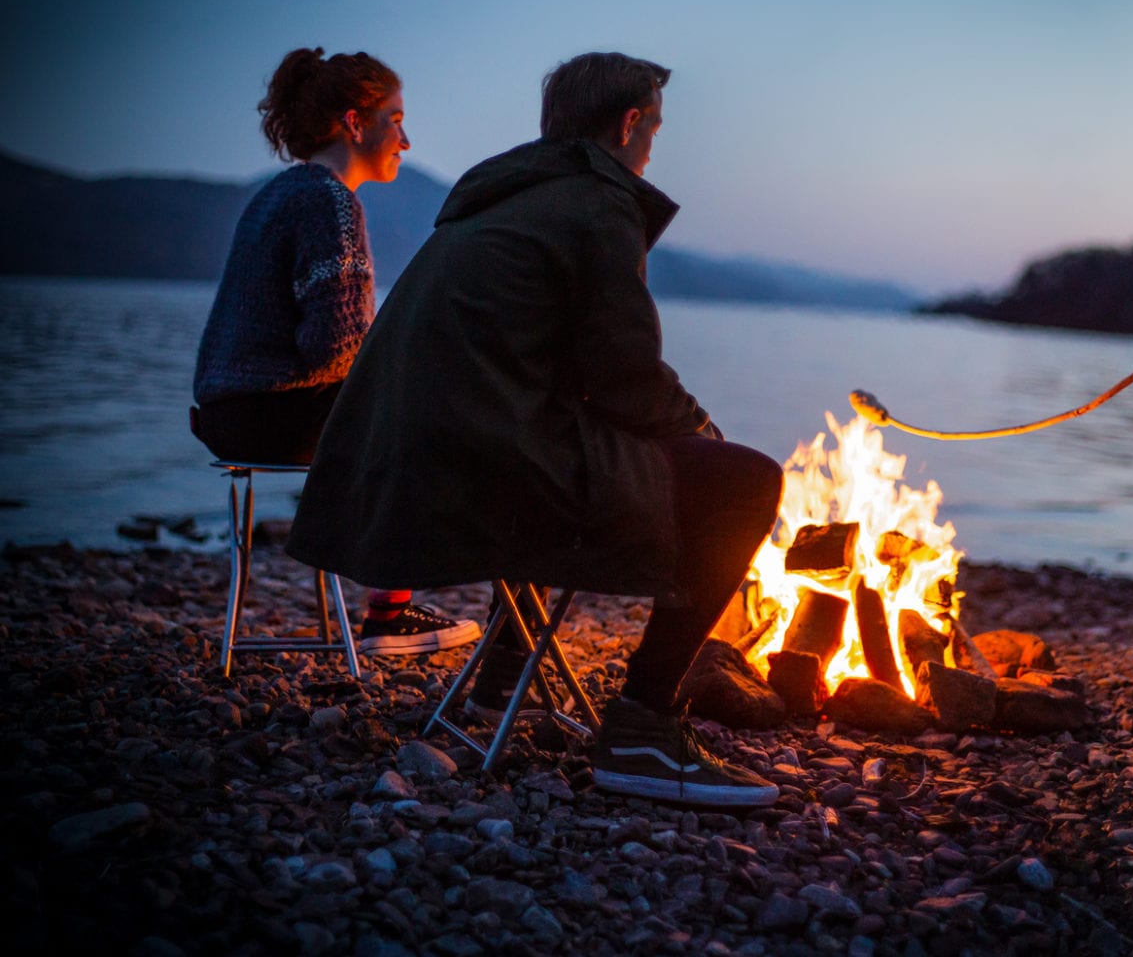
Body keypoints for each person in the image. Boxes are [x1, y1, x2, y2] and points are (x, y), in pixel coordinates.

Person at [286, 52, 784, 808]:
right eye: (653, 125)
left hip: (392, 475)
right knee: (744, 483)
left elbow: (564, 374)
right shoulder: (595, 203)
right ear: (628, 124)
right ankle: (645, 726)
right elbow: (625, 376)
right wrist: (703, 431)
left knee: (575, 445)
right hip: (477, 477)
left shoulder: (504, 197)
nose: (653, 143)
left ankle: (497, 682)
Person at [192, 47, 477, 657]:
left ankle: (384, 597)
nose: (405, 137)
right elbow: (334, 348)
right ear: (355, 122)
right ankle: (390, 614)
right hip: (275, 412)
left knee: (406, 406)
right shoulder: (331, 202)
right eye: (395, 118)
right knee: (426, 418)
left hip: (228, 413)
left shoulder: (277, 194)